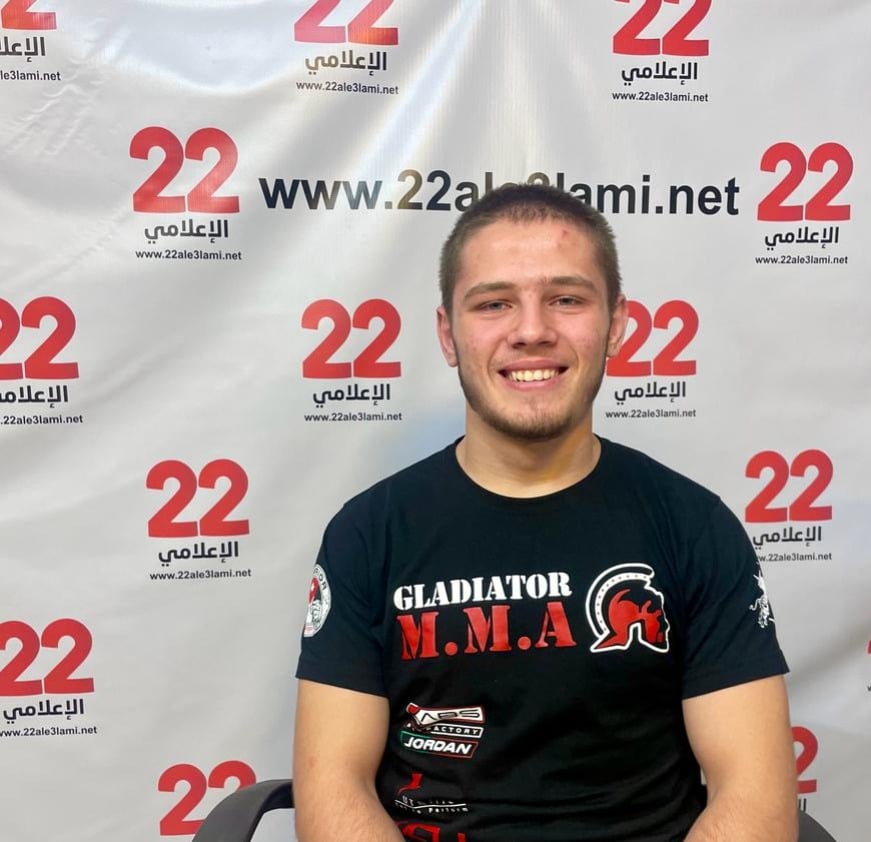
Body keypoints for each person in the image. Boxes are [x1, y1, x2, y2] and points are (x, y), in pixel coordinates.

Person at [294, 184, 798, 841]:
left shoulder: (694, 528)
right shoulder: (368, 534)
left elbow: (756, 799)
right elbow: (333, 790)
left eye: (566, 299)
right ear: (448, 334)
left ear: (616, 324)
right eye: (493, 303)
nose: (531, 331)